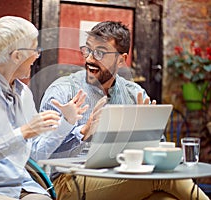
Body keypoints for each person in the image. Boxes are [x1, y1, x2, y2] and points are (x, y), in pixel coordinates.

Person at [33, 21, 209, 199]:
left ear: (121, 59)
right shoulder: (63, 91)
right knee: (163, 179)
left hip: (119, 175)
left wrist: (146, 134)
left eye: (100, 52)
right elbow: (39, 154)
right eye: (87, 50)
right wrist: (83, 132)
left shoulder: (134, 94)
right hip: (68, 182)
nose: (89, 59)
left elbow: (156, 153)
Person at [0, 16, 88, 200]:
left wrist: (66, 122)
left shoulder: (24, 94)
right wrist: (23, 132)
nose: (37, 55)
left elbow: (36, 154)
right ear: (17, 56)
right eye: (35, 49)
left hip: (21, 186)